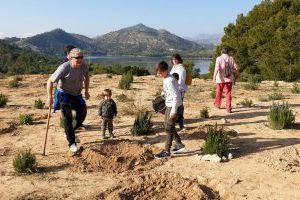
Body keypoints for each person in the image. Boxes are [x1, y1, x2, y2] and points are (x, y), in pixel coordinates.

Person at [47, 48, 90, 153]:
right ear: (70, 58)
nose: (80, 59)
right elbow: (50, 81)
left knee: (82, 113)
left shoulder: (84, 66)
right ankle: (72, 143)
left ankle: (70, 130)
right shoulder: (64, 68)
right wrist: (50, 97)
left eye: (81, 57)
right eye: (77, 58)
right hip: (64, 93)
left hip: (77, 93)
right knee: (67, 117)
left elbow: (87, 77)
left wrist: (86, 91)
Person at [154, 61, 186, 159]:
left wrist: (174, 110)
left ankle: (167, 151)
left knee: (168, 128)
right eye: (158, 72)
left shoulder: (169, 80)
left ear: (165, 70)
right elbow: (171, 91)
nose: (158, 74)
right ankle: (179, 144)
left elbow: (176, 95)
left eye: (160, 72)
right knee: (168, 125)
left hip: (173, 106)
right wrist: (164, 93)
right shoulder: (168, 78)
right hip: (171, 105)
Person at [213, 47, 239, 113]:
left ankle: (217, 105)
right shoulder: (231, 58)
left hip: (220, 79)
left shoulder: (219, 58)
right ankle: (228, 108)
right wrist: (237, 74)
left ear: (221, 52)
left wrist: (214, 77)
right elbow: (236, 67)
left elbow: (216, 68)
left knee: (219, 92)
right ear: (228, 52)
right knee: (228, 94)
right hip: (229, 79)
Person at [170, 54, 188, 132]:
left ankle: (181, 124)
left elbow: (181, 81)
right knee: (175, 106)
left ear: (179, 59)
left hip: (180, 89)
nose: (174, 61)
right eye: (173, 59)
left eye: (176, 59)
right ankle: (177, 121)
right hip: (174, 89)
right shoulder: (174, 67)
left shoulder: (181, 68)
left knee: (179, 106)